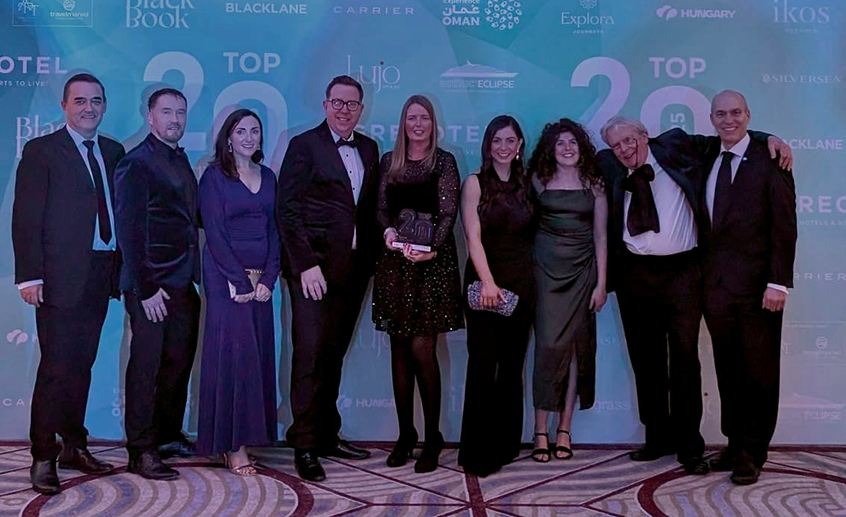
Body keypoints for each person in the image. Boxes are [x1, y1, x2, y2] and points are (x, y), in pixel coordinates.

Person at [597, 115, 792, 475]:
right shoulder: (608, 164)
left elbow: (729, 135)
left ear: (645, 135)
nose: (623, 149)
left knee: (685, 360)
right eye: (616, 144)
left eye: (629, 140)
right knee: (646, 361)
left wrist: (769, 137)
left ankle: (689, 445)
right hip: (634, 277)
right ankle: (657, 437)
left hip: (683, 273)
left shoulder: (675, 145)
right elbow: (566, 161)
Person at [12, 73, 125, 494]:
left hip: (100, 273)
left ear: (104, 105)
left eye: (96, 100)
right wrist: (29, 276)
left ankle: (73, 446)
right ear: (64, 106)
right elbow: (26, 218)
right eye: (79, 101)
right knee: (56, 369)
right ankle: (43, 454)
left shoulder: (113, 151)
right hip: (57, 278)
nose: (88, 108)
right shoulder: (42, 151)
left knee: (82, 366)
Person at [276, 75, 380, 482]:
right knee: (309, 357)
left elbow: (368, 210)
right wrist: (304, 265)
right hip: (312, 274)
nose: (343, 110)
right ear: (324, 105)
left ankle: (326, 434)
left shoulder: (369, 148)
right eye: (337, 102)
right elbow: (287, 209)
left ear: (361, 108)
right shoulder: (303, 146)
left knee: (333, 355)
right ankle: (303, 444)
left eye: (351, 104)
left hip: (352, 272)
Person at [700, 91, 797, 485]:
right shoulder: (706, 155)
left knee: (760, 372)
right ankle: (735, 443)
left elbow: (785, 226)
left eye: (736, 113)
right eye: (721, 114)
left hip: (760, 289)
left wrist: (779, 283)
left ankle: (754, 452)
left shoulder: (772, 160)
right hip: (716, 290)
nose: (728, 120)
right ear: (711, 118)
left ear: (748, 116)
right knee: (728, 372)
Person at [114, 87, 201, 481]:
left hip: (183, 283)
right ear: (150, 116)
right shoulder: (136, 163)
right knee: (146, 368)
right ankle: (141, 449)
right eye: (167, 112)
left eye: (181, 113)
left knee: (177, 363)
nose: (175, 119)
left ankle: (167, 434)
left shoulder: (181, 160)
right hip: (151, 285)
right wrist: (145, 288)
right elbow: (129, 232)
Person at [374, 94, 463, 473]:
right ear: (403, 122)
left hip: (432, 266)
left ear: (433, 122)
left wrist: (431, 249)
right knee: (398, 351)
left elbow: (448, 212)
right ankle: (404, 434)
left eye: (424, 117)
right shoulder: (389, 162)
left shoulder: (444, 162)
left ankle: (432, 437)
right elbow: (379, 210)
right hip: (395, 265)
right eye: (411, 117)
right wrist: (389, 233)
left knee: (423, 350)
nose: (418, 124)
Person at [196, 109, 281, 476]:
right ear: (227, 137)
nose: (249, 137)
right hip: (225, 281)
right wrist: (240, 281)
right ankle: (232, 447)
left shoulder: (270, 176)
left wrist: (268, 280)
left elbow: (275, 231)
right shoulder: (213, 177)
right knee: (232, 359)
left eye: (255, 131)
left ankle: (247, 437)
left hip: (259, 282)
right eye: (241, 131)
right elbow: (213, 233)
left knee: (256, 358)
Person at [457, 115, 535, 477]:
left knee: (511, 368)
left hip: (522, 284)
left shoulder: (527, 184)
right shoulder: (475, 183)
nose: (503, 147)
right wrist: (488, 282)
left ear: (520, 145)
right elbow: (472, 237)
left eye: (510, 140)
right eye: (496, 141)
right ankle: (476, 452)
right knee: (483, 365)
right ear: (487, 145)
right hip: (484, 285)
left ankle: (506, 444)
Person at [529, 118, 607, 463]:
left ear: (582, 147)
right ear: (550, 149)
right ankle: (539, 431)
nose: (567, 148)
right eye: (560, 143)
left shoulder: (595, 185)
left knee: (576, 350)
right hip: (544, 273)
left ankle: (564, 430)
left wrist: (602, 283)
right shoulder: (537, 180)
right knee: (547, 348)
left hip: (583, 273)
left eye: (573, 142)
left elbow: (601, 236)